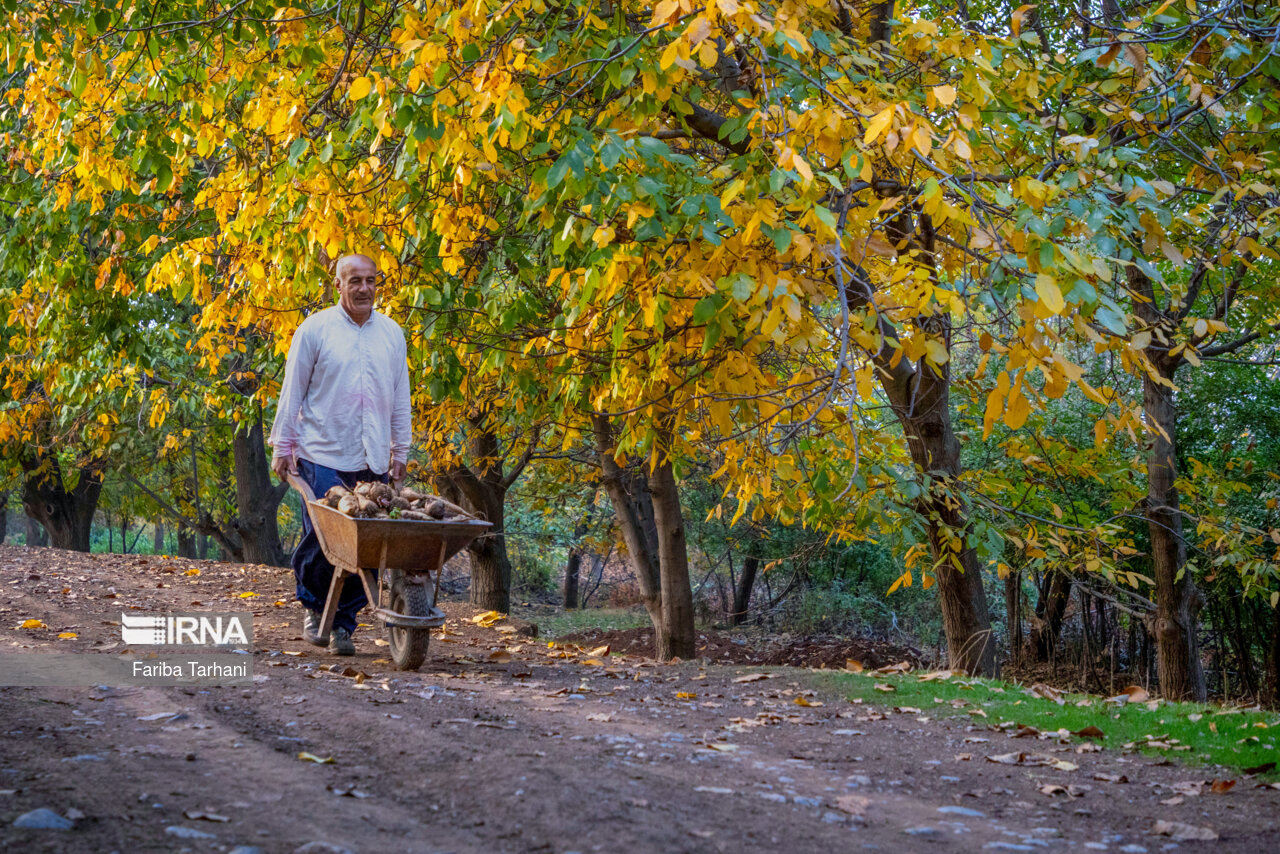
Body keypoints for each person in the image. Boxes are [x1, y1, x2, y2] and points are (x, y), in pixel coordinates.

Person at [269, 253, 411, 655]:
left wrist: (400, 450)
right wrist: (283, 445)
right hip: (322, 454)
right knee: (324, 541)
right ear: (338, 286)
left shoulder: (391, 334)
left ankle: (344, 625)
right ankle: (316, 608)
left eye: (371, 280)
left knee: (364, 549)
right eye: (355, 281)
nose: (364, 288)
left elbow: (401, 397)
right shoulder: (315, 330)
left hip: (372, 459)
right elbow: (292, 389)